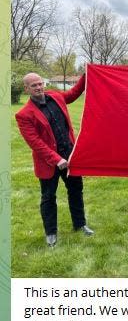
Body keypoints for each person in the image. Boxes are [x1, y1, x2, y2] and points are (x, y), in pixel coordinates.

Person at [15, 73, 94, 247]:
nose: (38, 87)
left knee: (76, 191)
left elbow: (73, 94)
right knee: (48, 197)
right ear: (26, 89)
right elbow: (35, 143)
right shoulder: (24, 114)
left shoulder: (56, 97)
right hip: (48, 163)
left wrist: (86, 76)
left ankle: (80, 224)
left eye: (40, 83)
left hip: (70, 157)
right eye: (33, 85)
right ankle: (51, 233)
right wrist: (56, 159)